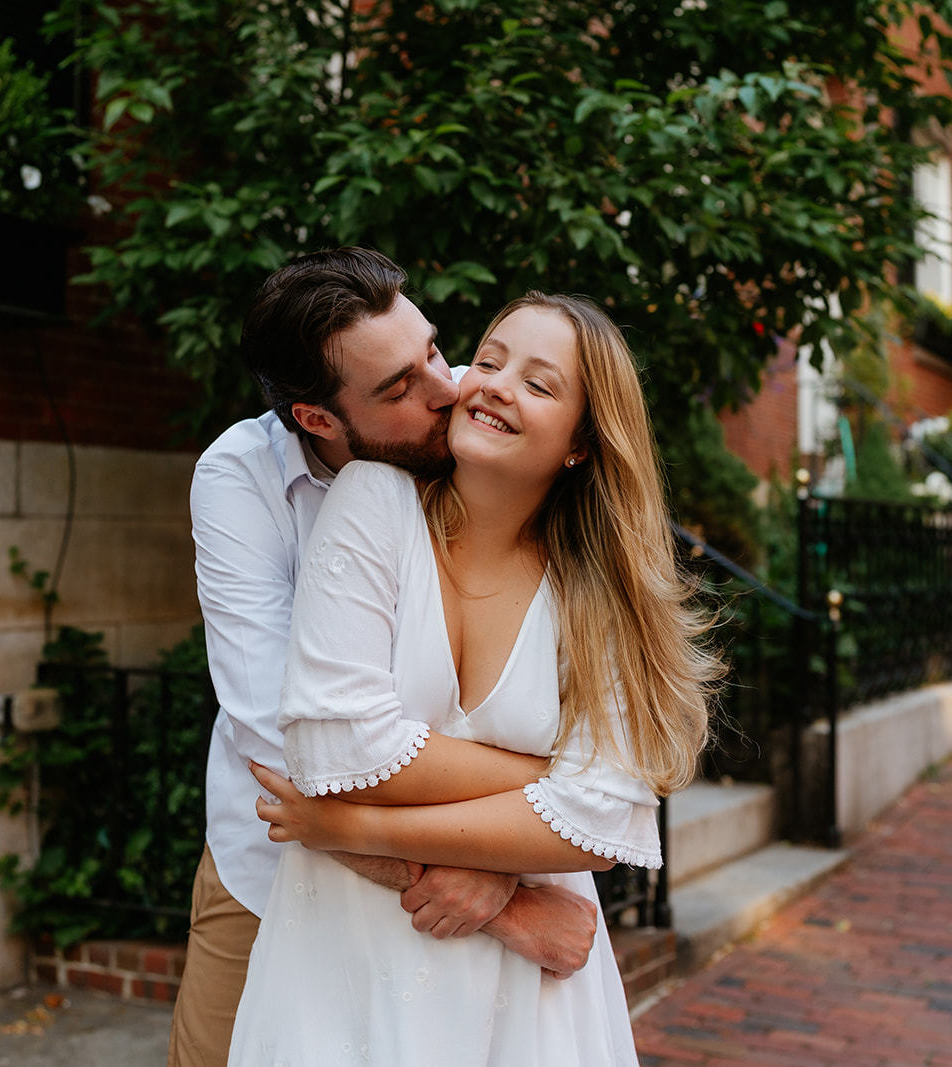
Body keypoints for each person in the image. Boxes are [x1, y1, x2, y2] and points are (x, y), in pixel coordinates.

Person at [228, 293, 720, 1065]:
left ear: (582, 444)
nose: (492, 383)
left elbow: (600, 823)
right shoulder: (374, 502)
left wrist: (357, 826)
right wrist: (543, 792)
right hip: (343, 954)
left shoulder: (600, 593)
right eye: (488, 360)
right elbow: (336, 750)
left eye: (539, 382)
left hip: (530, 994)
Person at [172, 254, 604, 1067]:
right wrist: (511, 885)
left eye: (434, 351)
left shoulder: (478, 436)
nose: (448, 388)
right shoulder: (240, 481)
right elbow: (290, 753)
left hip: (491, 872)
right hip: (277, 864)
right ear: (319, 417)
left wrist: (513, 857)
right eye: (399, 388)